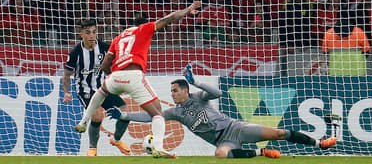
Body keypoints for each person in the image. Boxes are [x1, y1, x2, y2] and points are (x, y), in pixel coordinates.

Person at [106, 65, 337, 159]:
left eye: (175, 90)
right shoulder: (175, 112)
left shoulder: (198, 97)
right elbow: (150, 117)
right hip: (221, 140)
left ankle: (320, 144)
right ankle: (260, 154)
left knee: (278, 133)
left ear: (185, 90)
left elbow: (217, 93)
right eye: (172, 91)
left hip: (235, 128)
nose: (173, 94)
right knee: (220, 155)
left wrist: (196, 81)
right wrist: (125, 116)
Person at [75, 1, 202, 158]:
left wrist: (114, 75)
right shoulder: (144, 29)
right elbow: (168, 19)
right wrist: (187, 10)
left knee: (102, 90)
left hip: (115, 77)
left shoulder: (118, 38)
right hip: (133, 76)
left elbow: (105, 65)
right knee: (158, 114)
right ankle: (158, 147)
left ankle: (83, 121)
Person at [62, 19, 131, 156]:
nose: (92, 36)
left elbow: (116, 61)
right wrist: (66, 92)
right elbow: (66, 75)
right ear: (81, 34)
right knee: (97, 116)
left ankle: (116, 140)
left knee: (125, 113)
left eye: (94, 32)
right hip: (85, 90)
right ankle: (92, 149)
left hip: (104, 89)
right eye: (88, 33)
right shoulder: (76, 53)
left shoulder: (105, 47)